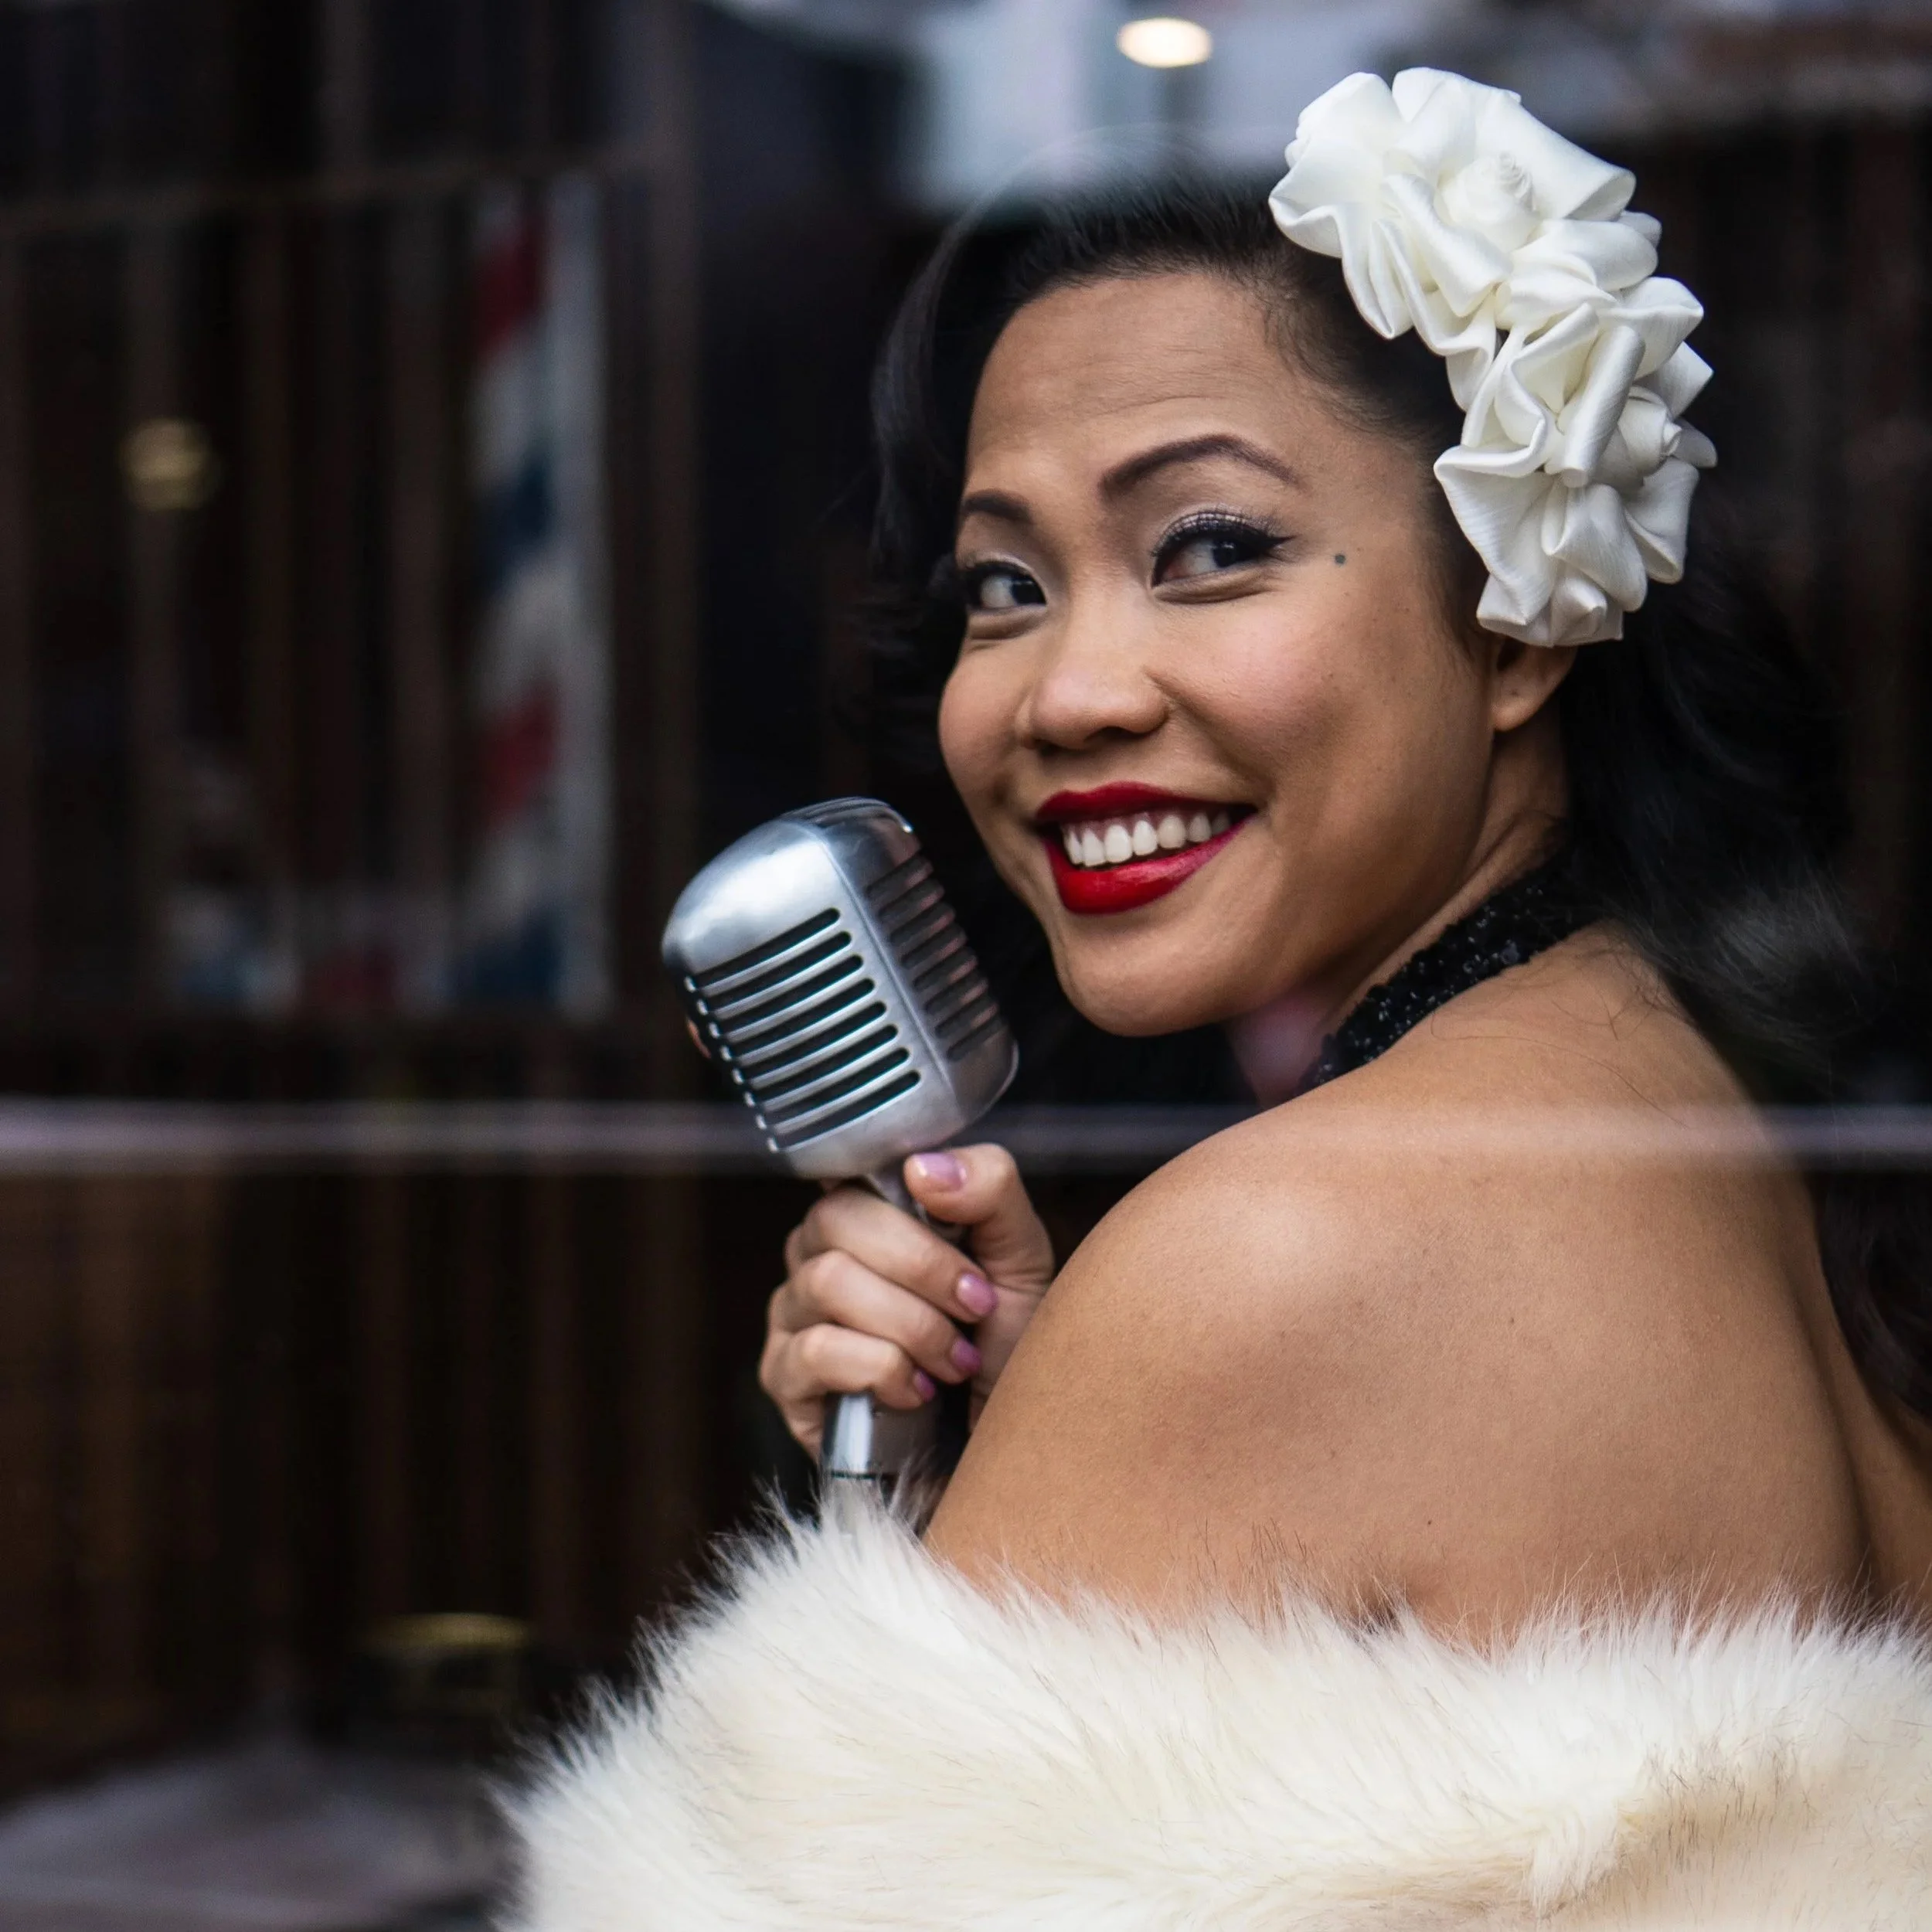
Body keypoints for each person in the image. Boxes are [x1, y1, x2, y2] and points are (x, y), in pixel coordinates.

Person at [514, 73, 1932, 1926]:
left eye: (1206, 547)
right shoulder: (1712, 1119)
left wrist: (1114, 1387)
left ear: (1513, 615)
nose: (1066, 691)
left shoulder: (1286, 1246)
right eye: (1002, 584)